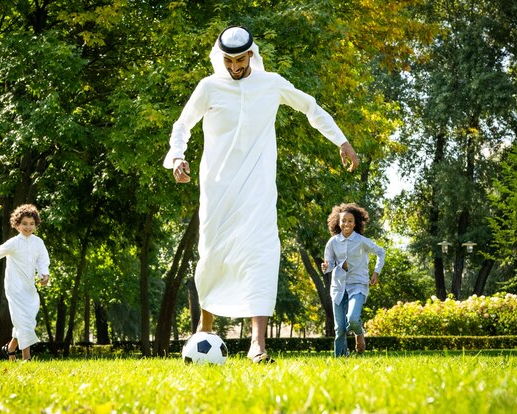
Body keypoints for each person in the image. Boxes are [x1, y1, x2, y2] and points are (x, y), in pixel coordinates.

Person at [164, 26, 359, 363]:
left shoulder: (271, 84)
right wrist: (177, 156)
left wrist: (341, 140)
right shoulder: (209, 87)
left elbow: (310, 108)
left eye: (240, 60)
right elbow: (182, 125)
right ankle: (204, 328)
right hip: (217, 188)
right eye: (228, 60)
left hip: (257, 188)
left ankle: (258, 345)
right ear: (221, 57)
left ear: (251, 55)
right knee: (213, 253)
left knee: (262, 253)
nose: (235, 67)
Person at [0, 204, 50, 361]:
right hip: (14, 288)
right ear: (17, 225)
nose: (28, 227)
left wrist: (44, 275)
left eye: (31, 223)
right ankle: (26, 357)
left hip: (29, 288)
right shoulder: (13, 243)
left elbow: (43, 260)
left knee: (28, 321)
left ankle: (11, 347)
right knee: (22, 320)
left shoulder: (38, 242)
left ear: (36, 224)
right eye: (24, 223)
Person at [321, 203, 385, 357]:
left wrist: (376, 272)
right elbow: (329, 265)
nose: (346, 224)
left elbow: (381, 252)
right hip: (338, 286)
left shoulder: (362, 241)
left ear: (355, 223)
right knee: (340, 328)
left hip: (358, 284)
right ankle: (341, 359)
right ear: (338, 222)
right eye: (343, 220)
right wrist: (326, 267)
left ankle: (359, 333)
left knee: (353, 318)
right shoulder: (333, 242)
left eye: (350, 221)